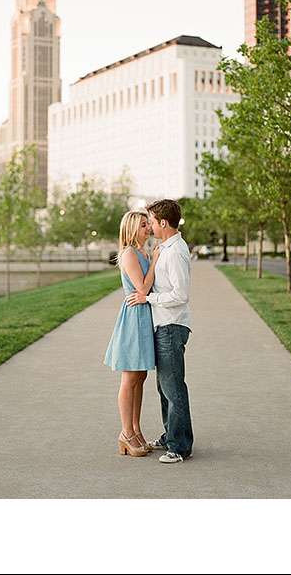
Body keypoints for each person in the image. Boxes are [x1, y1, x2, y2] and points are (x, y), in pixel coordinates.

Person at [126, 198, 193, 464]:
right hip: (162, 324)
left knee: (173, 388)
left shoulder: (175, 251)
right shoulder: (165, 248)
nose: (150, 226)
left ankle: (179, 447)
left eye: (152, 221)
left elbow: (181, 294)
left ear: (163, 222)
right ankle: (170, 436)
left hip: (171, 324)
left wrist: (148, 299)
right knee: (165, 387)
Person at [104, 210, 159, 457]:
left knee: (140, 377)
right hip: (134, 319)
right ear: (131, 229)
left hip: (145, 317)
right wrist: (156, 261)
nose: (148, 228)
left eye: (148, 224)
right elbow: (142, 288)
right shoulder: (128, 254)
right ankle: (125, 432)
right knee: (129, 378)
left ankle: (136, 429)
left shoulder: (143, 252)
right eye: (143, 225)